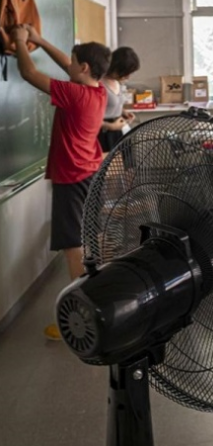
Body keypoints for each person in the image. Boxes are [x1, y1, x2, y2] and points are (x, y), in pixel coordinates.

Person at [12, 25, 111, 340]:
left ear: (82, 68)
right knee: (85, 242)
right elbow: (70, 67)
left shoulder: (74, 94)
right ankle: (95, 304)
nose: (67, 65)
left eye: (72, 61)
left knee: (73, 247)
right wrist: (39, 40)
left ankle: (82, 318)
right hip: (89, 173)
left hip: (73, 178)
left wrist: (18, 42)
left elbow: (28, 73)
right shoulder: (96, 91)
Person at [98, 47, 140, 153]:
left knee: (126, 167)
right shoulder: (98, 84)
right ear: (116, 67)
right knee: (107, 167)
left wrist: (123, 112)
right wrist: (110, 126)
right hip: (103, 133)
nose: (128, 76)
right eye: (126, 72)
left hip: (119, 131)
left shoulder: (117, 82)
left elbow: (111, 105)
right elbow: (88, 117)